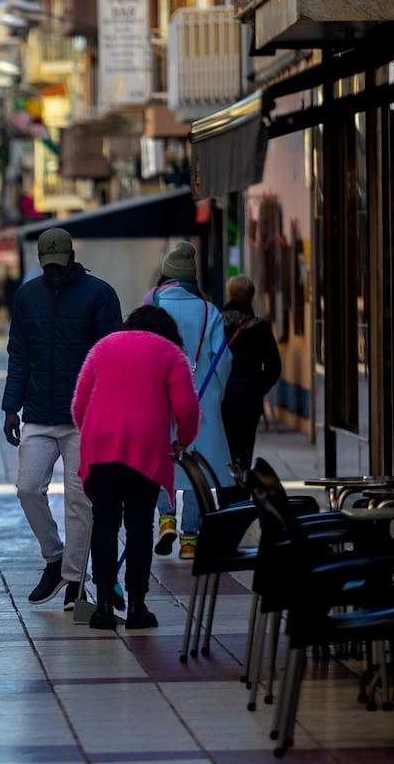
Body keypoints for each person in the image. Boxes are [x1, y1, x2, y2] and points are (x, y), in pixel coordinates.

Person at [2, 227, 122, 610]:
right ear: (40, 262)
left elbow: (110, 357)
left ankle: (74, 580)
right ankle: (55, 559)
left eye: (59, 264)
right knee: (27, 488)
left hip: (83, 418)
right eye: (47, 266)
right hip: (38, 411)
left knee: (79, 501)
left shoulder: (100, 295)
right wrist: (10, 407)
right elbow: (18, 353)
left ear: (72, 257)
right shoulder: (27, 296)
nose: (54, 271)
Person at [71, 305, 201, 629]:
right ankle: (136, 608)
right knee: (140, 527)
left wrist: (91, 433)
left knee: (104, 524)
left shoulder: (103, 347)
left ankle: (102, 607)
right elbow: (187, 406)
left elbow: (79, 404)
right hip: (145, 448)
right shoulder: (170, 353)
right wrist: (183, 440)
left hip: (101, 446)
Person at [145, 240, 232, 560]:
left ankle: (166, 517)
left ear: (165, 276)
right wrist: (215, 393)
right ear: (193, 279)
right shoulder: (209, 311)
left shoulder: (152, 305)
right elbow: (223, 358)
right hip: (200, 400)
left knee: (161, 461)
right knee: (196, 467)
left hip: (160, 398)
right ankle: (190, 538)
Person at [220, 274, 282, 471]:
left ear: (229, 294)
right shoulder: (259, 327)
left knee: (225, 453)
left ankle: (227, 495)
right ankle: (242, 494)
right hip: (249, 400)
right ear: (251, 296)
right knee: (244, 452)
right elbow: (274, 367)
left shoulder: (216, 324)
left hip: (222, 398)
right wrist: (256, 387)